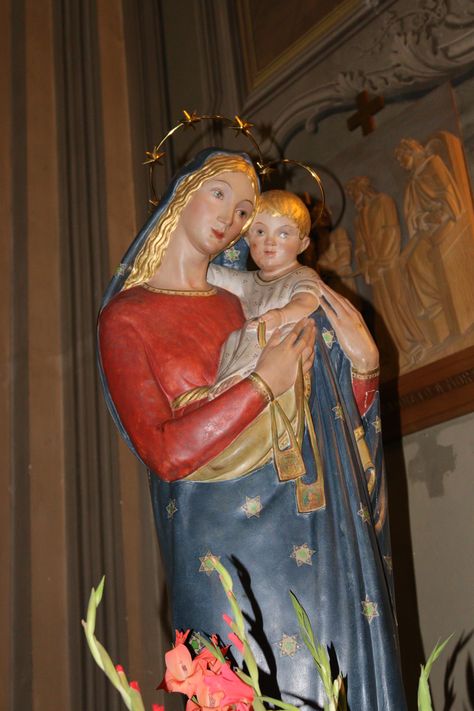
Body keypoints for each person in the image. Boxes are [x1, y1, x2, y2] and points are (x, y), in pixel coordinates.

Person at [98, 147, 407, 710]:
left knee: (323, 682)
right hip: (219, 539)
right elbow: (164, 452)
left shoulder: (250, 295)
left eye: (245, 210)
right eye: (219, 194)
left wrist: (365, 366)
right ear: (181, 196)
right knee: (240, 682)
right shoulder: (129, 316)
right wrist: (262, 383)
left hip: (308, 520)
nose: (231, 218)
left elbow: (331, 403)